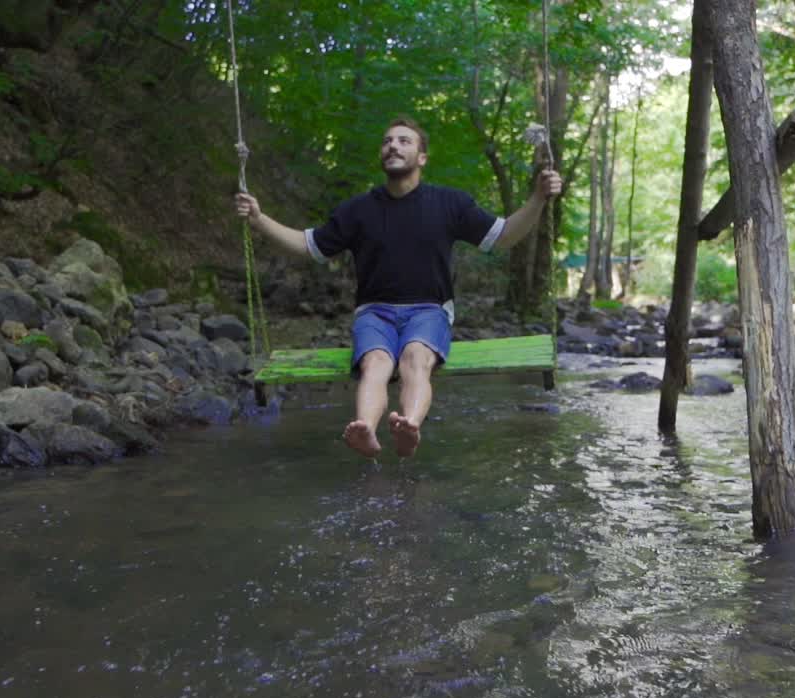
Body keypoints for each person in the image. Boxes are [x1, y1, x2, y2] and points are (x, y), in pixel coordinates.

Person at [234, 117, 561, 458]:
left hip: (429, 310)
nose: (393, 145)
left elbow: (503, 236)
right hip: (374, 312)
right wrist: (258, 218)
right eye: (388, 141)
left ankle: (409, 425)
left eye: (405, 141)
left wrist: (538, 198)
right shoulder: (358, 210)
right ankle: (365, 430)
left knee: (414, 359)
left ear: (422, 157)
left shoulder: (449, 204)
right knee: (375, 363)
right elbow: (308, 246)